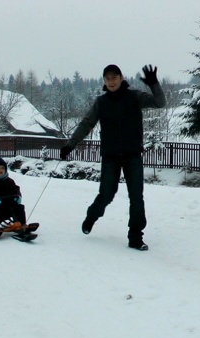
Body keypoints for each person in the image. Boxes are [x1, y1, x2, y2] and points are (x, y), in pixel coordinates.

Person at [59, 64, 166, 251]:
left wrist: (154, 83)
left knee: (136, 198)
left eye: (114, 77)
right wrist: (70, 145)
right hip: (110, 157)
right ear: (104, 81)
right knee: (106, 194)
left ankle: (135, 237)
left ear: (121, 78)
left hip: (133, 156)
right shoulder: (101, 103)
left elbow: (160, 103)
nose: (111, 81)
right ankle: (92, 216)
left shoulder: (135, 96)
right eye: (107, 78)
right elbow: (86, 124)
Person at [0, 157, 27, 238]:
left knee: (19, 208)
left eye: (3, 168)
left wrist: (18, 196)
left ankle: (22, 224)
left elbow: (16, 189)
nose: (1, 170)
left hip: (11, 202)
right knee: (0, 212)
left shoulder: (9, 180)